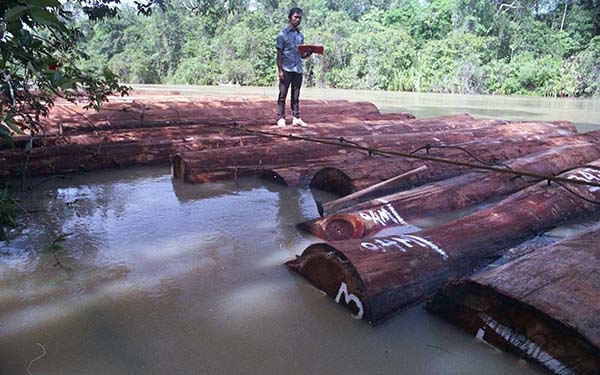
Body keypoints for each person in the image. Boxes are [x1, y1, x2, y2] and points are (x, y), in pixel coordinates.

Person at [276, 7, 312, 128]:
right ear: (290, 17)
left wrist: (309, 52)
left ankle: (296, 117)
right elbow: (279, 54)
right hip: (286, 69)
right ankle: (281, 118)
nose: (298, 19)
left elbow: (301, 55)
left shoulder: (300, 36)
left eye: (300, 18)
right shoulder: (282, 35)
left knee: (295, 96)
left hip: (298, 69)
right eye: (296, 17)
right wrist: (280, 70)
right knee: (282, 95)